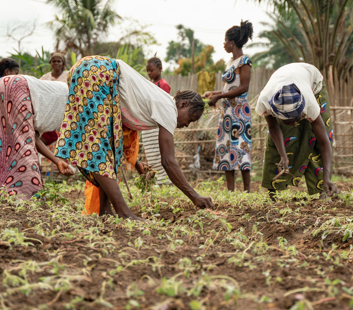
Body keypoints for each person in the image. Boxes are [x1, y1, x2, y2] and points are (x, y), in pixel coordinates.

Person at [55, 55, 214, 220]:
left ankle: (105, 210)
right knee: (98, 149)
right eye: (191, 118)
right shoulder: (169, 108)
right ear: (183, 105)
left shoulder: (162, 102)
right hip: (99, 73)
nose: (188, 124)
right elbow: (168, 161)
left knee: (107, 151)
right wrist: (194, 196)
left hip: (93, 70)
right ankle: (124, 212)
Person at [0, 74, 75, 199]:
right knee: (24, 150)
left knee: (4, 146)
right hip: (18, 87)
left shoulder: (49, 99)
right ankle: (30, 196)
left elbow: (32, 138)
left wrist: (57, 161)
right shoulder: (73, 103)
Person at [256, 63, 337, 199]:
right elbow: (274, 127)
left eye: (296, 118)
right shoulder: (265, 102)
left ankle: (323, 188)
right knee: (277, 140)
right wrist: (283, 155)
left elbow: (324, 143)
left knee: (316, 138)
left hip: (312, 81)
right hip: (286, 76)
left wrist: (327, 177)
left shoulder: (310, 104)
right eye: (288, 121)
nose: (294, 124)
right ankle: (272, 190)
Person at [203, 21, 254, 192]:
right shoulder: (231, 62)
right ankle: (231, 191)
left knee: (241, 147)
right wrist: (214, 93)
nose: (223, 44)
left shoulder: (244, 62)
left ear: (231, 43)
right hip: (227, 112)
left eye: (225, 41)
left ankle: (247, 190)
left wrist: (220, 96)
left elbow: (243, 88)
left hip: (239, 112)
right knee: (226, 148)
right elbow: (229, 88)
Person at [142, 55, 171, 185]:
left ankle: (164, 180)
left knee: (159, 153)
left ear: (160, 68)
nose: (149, 73)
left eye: (151, 70)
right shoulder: (150, 85)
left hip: (157, 124)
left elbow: (163, 106)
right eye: (147, 71)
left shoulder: (163, 85)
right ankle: (157, 180)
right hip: (149, 123)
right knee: (152, 154)